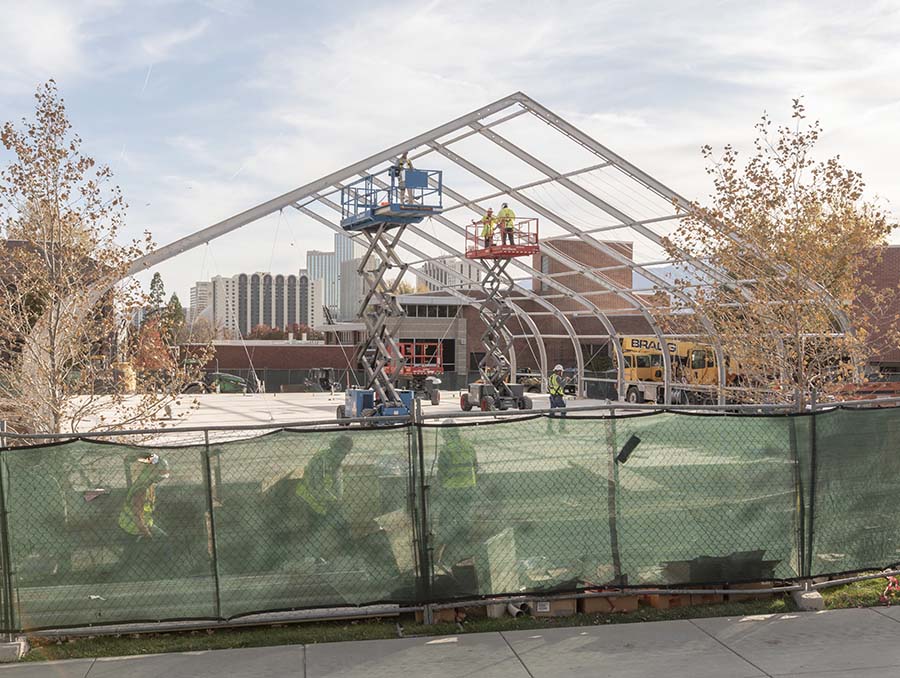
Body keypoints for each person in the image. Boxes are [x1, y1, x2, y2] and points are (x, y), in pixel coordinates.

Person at [295, 435, 354, 561]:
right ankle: (313, 558)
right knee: (316, 530)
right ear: (335, 448)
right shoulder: (321, 460)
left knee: (339, 528)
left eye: (346, 453)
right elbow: (316, 486)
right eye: (342, 452)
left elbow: (337, 484)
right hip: (311, 499)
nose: (343, 456)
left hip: (326, 501)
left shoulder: (336, 462)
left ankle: (343, 557)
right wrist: (333, 500)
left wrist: (337, 499)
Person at [433, 421, 478, 573]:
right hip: (468, 487)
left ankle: (443, 549)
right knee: (464, 515)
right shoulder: (468, 445)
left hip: (452, 489)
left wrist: (439, 485)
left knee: (445, 517)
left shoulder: (446, 450)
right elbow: (475, 466)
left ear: (445, 434)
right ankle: (463, 542)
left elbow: (441, 472)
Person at [118, 453, 171, 577]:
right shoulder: (142, 488)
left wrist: (135, 457)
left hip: (141, 523)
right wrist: (146, 532)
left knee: (131, 554)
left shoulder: (148, 482)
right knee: (132, 554)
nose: (162, 477)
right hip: (133, 527)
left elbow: (153, 458)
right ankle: (157, 572)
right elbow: (137, 515)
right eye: (160, 474)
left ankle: (131, 572)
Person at [547, 364, 567, 433]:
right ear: (559, 371)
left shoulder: (551, 377)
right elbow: (562, 385)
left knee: (552, 413)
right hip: (558, 397)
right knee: (563, 410)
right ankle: (562, 429)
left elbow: (549, 387)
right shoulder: (557, 377)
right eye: (561, 371)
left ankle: (549, 429)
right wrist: (566, 380)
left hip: (552, 396)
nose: (562, 373)